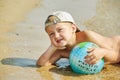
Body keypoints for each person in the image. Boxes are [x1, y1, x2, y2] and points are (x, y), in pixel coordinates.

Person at [37, 11, 120, 66]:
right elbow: (41, 64)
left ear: (73, 28)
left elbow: (116, 56)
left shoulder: (87, 36)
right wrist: (52, 47)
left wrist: (103, 52)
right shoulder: (62, 52)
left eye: (60, 30)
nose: (56, 36)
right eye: (51, 34)